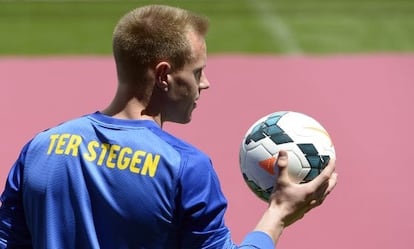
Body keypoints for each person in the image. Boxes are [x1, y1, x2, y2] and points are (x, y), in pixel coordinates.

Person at [0, 4, 337, 249]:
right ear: (164, 75)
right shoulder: (184, 168)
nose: (205, 84)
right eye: (197, 71)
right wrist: (278, 214)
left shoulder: (40, 148)